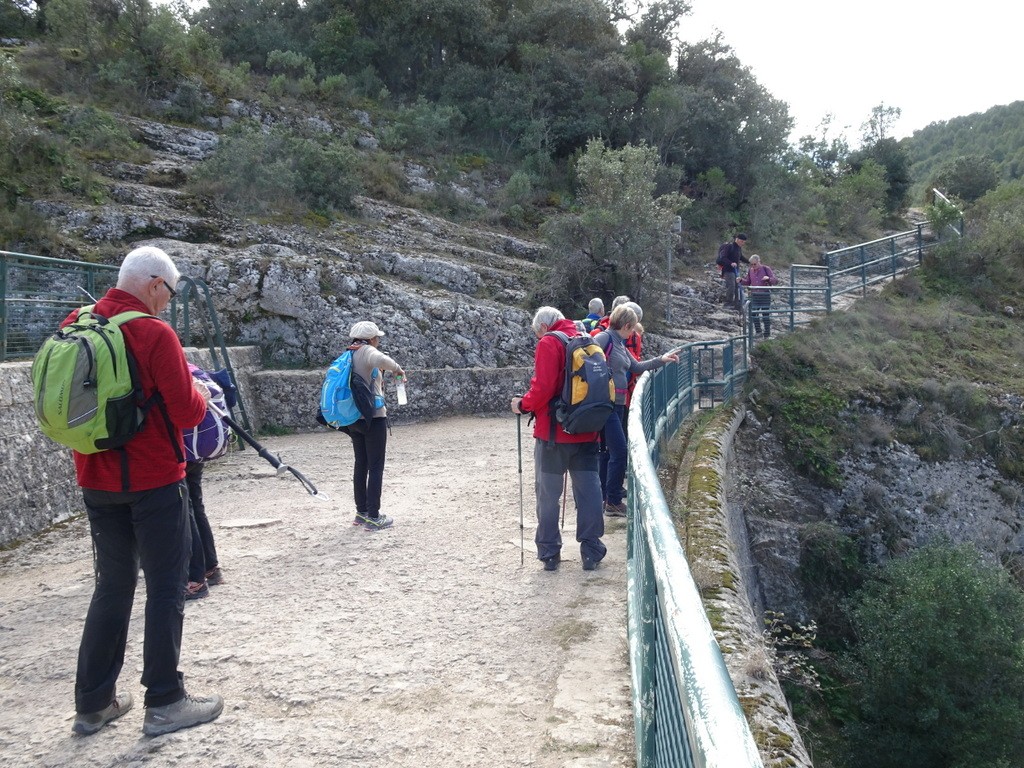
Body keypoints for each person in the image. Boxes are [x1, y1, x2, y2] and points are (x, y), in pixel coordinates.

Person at [67, 245, 224, 737]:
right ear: (155, 284)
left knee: (111, 587)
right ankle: (165, 700)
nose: (167, 303)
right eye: (169, 293)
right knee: (166, 586)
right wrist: (200, 392)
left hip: (95, 477)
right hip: (154, 481)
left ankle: (93, 704)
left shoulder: (78, 322)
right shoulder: (154, 332)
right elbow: (187, 414)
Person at [510, 307, 607, 572]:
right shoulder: (587, 338)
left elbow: (542, 388)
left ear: (543, 326)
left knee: (548, 494)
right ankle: (591, 549)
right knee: (589, 492)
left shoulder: (549, 342)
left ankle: (550, 552)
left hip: (553, 434)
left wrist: (522, 404)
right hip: (587, 431)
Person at [592, 305, 678, 516]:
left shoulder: (619, 343)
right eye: (632, 329)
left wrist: (662, 360)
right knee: (619, 451)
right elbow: (588, 360)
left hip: (618, 404)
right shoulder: (605, 339)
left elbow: (636, 367)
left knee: (608, 451)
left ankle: (604, 497)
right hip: (608, 405)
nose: (633, 334)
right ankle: (612, 500)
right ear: (627, 325)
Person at [344, 320, 405, 531]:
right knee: (376, 465)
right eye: (377, 337)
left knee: (361, 463)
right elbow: (383, 360)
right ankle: (374, 516)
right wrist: (399, 370)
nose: (378, 341)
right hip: (373, 417)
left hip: (353, 418)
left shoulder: (349, 353)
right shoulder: (367, 351)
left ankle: (361, 513)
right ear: (371, 339)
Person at [184, 461, 223, 600]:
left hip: (176, 454)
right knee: (195, 504)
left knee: (185, 509)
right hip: (194, 450)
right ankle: (210, 568)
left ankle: (195, 579)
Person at [739, 254, 779, 338]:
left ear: (759, 262)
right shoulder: (750, 270)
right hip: (754, 295)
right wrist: (741, 280)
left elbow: (775, 280)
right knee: (753, 313)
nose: (753, 266)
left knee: (765, 315)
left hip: (764, 294)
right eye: (752, 264)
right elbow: (748, 281)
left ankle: (767, 333)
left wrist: (768, 279)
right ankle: (758, 331)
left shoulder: (766, 269)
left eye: (755, 264)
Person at [716, 233, 749, 310]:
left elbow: (741, 257)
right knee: (731, 286)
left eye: (744, 242)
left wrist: (749, 261)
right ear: (737, 239)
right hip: (728, 270)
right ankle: (728, 303)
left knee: (737, 287)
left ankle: (737, 305)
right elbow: (723, 257)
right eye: (742, 241)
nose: (743, 243)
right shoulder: (729, 246)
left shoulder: (738, 248)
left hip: (736, 271)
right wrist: (731, 263)